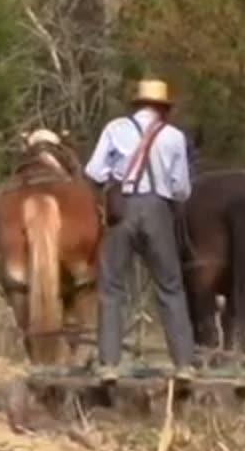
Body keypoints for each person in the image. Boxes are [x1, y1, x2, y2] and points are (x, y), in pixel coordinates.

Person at [83, 78, 196, 384]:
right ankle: (184, 363)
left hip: (122, 210)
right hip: (158, 209)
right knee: (170, 286)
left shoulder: (115, 129)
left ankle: (108, 364)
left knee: (112, 287)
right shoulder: (173, 136)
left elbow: (93, 171)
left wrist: (115, 177)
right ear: (163, 108)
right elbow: (181, 188)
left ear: (137, 105)